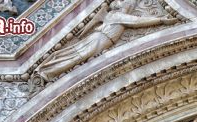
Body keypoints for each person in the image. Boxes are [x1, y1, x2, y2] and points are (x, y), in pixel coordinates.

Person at [37, 0, 178, 81]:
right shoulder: (116, 15)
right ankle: (48, 71)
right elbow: (137, 21)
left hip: (103, 40)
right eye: (127, 5)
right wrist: (160, 20)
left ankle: (50, 69)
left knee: (77, 55)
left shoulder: (117, 14)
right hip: (99, 39)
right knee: (78, 56)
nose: (129, 7)